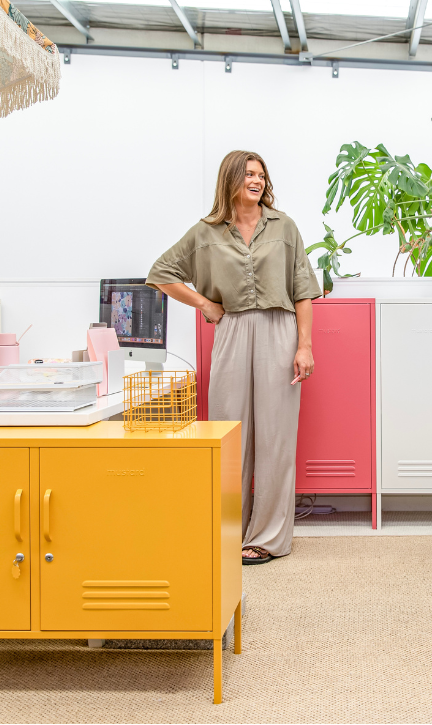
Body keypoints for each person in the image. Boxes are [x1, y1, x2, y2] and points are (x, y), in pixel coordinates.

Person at [148, 150, 321, 566]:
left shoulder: (285, 226)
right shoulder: (206, 232)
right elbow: (161, 273)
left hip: (280, 329)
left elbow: (302, 290)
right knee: (229, 433)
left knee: (276, 436)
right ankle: (228, 530)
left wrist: (305, 345)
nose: (256, 180)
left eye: (261, 174)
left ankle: (270, 537)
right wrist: (205, 305)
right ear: (230, 180)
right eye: (247, 174)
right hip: (231, 330)